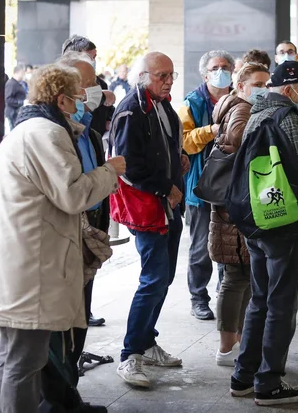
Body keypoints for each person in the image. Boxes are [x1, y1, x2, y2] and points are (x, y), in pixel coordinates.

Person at [0, 64, 124, 413]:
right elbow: (73, 194)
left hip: (24, 266)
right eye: (78, 97)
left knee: (14, 362)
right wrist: (110, 171)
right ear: (61, 99)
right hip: (31, 270)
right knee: (22, 364)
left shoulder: (31, 130)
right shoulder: (46, 133)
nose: (82, 103)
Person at [231, 60, 298, 406]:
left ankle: (243, 375)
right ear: (289, 89)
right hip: (281, 219)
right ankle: (268, 383)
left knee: (260, 298)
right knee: (282, 303)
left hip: (255, 215)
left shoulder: (256, 113)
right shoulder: (286, 115)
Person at [113, 52, 190, 387]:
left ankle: (146, 341)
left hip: (169, 203)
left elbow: (166, 146)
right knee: (153, 278)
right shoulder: (131, 109)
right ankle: (130, 355)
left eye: (171, 75)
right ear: (143, 76)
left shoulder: (161, 105)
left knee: (164, 277)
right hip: (149, 207)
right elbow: (127, 164)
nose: (169, 81)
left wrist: (180, 159)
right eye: (162, 75)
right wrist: (165, 188)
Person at [208, 63, 271, 367]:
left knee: (243, 275)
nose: (263, 89)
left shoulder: (233, 104)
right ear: (242, 85)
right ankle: (226, 347)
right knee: (236, 277)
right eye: (258, 83)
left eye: (266, 83)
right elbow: (236, 140)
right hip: (237, 202)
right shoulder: (243, 109)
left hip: (234, 200)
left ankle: (237, 342)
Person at [180, 49, 235, 321]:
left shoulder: (240, 100)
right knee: (201, 247)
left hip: (233, 185)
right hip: (201, 186)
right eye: (215, 67)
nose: (220, 70)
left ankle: (226, 293)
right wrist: (211, 131)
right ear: (205, 73)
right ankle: (198, 298)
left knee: (230, 245)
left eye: (225, 66)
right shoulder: (192, 103)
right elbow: (185, 142)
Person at [61, 35, 116, 136]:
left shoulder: (101, 83)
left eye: (94, 57)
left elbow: (107, 114)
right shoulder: (61, 86)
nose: (92, 61)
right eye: (88, 57)